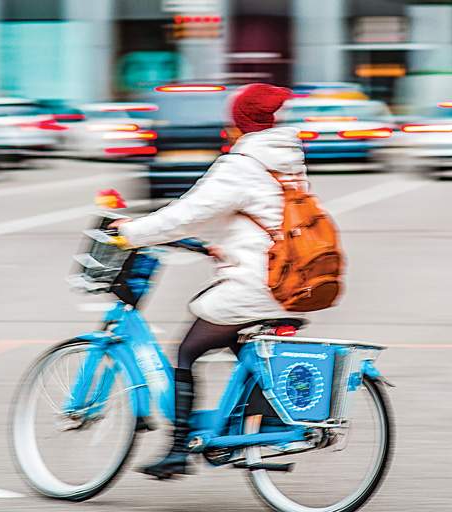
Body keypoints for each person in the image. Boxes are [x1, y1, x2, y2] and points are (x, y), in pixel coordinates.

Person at [108, 83, 309, 479]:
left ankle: (179, 449)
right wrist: (219, 248)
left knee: (187, 351)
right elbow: (260, 216)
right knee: (230, 334)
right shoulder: (285, 159)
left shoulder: (242, 163)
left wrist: (131, 232)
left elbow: (186, 213)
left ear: (239, 122)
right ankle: (261, 422)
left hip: (258, 285)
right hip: (292, 280)